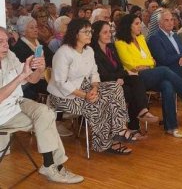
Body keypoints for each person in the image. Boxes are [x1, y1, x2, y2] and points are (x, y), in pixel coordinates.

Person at [0, 27, 84, 184]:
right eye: (0, 42)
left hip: (17, 103)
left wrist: (39, 69)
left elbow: (31, 79)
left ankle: (50, 165)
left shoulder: (9, 56)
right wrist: (20, 77)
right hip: (2, 113)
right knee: (46, 118)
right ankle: (54, 166)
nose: (6, 45)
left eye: (7, 41)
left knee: (46, 113)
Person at [115, 14, 182, 137]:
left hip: (150, 72)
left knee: (168, 85)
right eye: (136, 23)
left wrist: (146, 64)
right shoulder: (120, 43)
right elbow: (130, 64)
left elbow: (152, 60)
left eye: (139, 23)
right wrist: (147, 64)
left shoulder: (141, 38)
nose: (139, 25)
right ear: (128, 26)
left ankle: (171, 127)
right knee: (164, 70)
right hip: (135, 77)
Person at [47, 19, 137, 154]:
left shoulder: (88, 50)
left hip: (86, 88)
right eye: (86, 32)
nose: (90, 34)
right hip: (63, 96)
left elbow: (94, 73)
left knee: (115, 88)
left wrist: (94, 88)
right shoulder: (63, 52)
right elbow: (61, 83)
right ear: (75, 34)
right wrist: (85, 95)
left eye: (90, 31)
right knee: (99, 103)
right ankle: (105, 144)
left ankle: (119, 129)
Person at [91, 21, 157, 132]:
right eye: (105, 32)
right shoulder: (93, 51)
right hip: (105, 84)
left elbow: (120, 67)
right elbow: (102, 75)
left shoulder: (111, 47)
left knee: (136, 79)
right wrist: (121, 76)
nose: (109, 35)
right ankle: (134, 126)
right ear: (97, 34)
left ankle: (142, 112)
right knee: (132, 92)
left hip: (118, 80)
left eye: (110, 32)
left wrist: (121, 76)